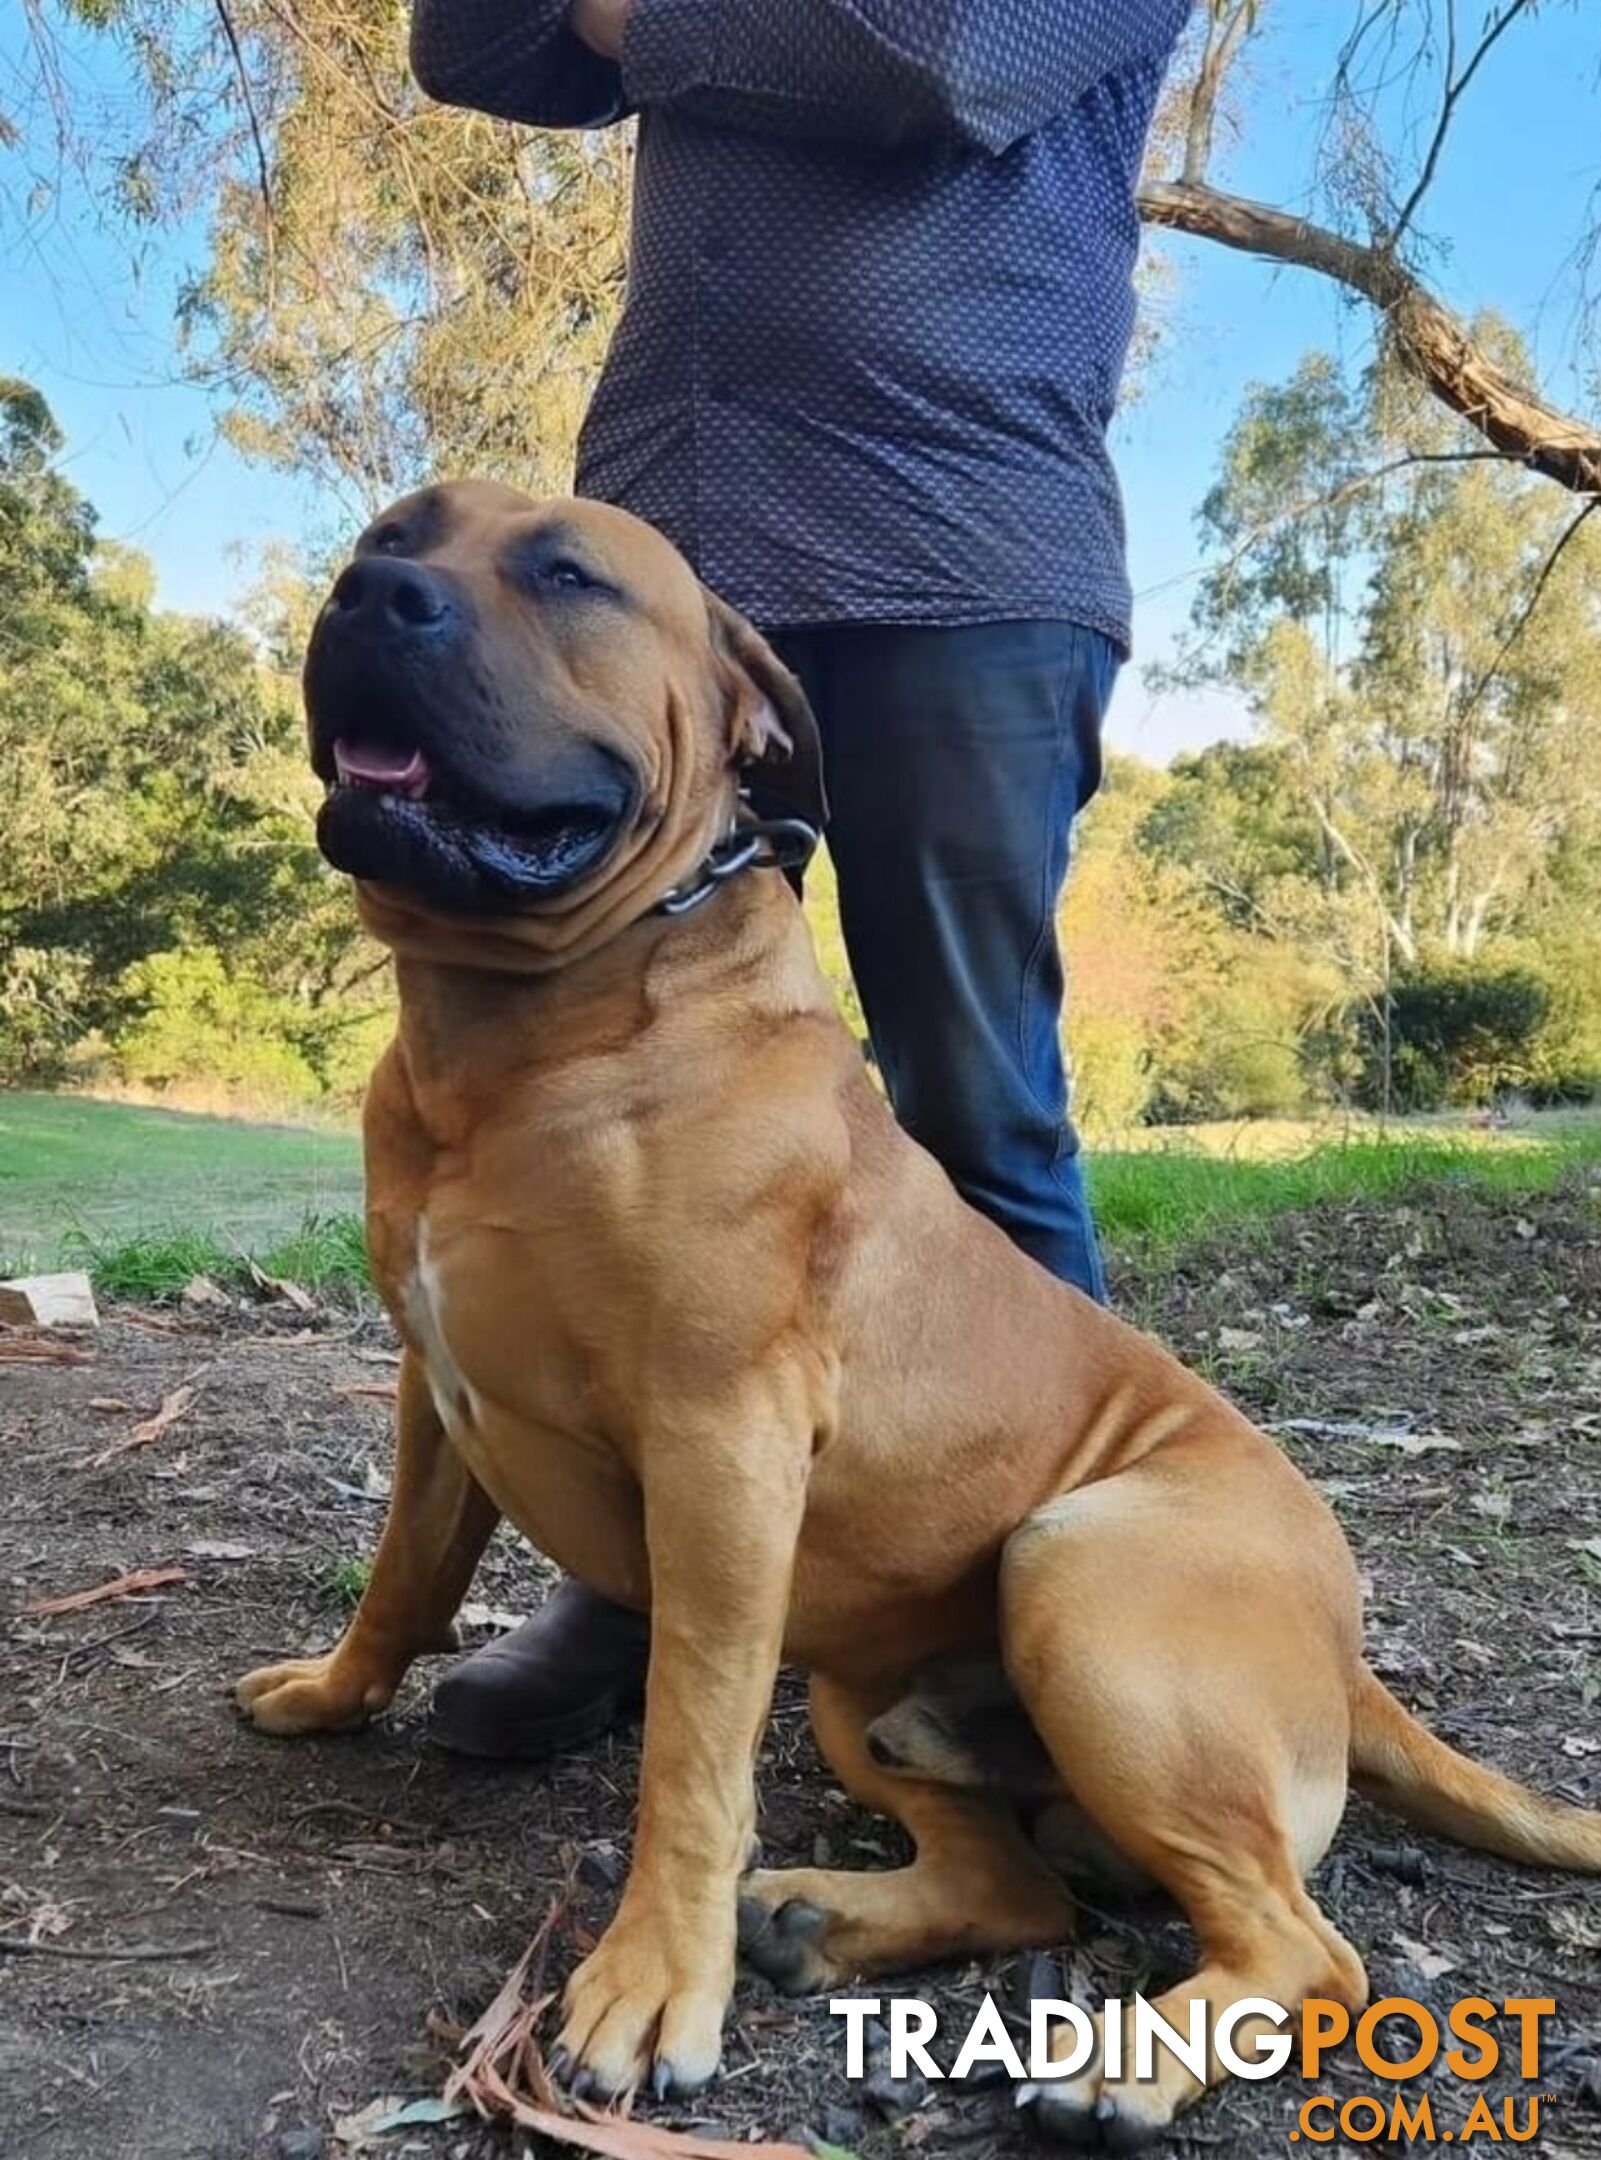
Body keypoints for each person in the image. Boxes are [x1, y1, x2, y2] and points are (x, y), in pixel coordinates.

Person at [407, 0, 1191, 1758]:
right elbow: (472, 48)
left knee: (971, 1100)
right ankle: (637, 1584)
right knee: (600, 1118)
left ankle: (1019, 1625)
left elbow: (927, 64)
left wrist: (627, 16)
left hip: (955, 549)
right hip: (665, 578)